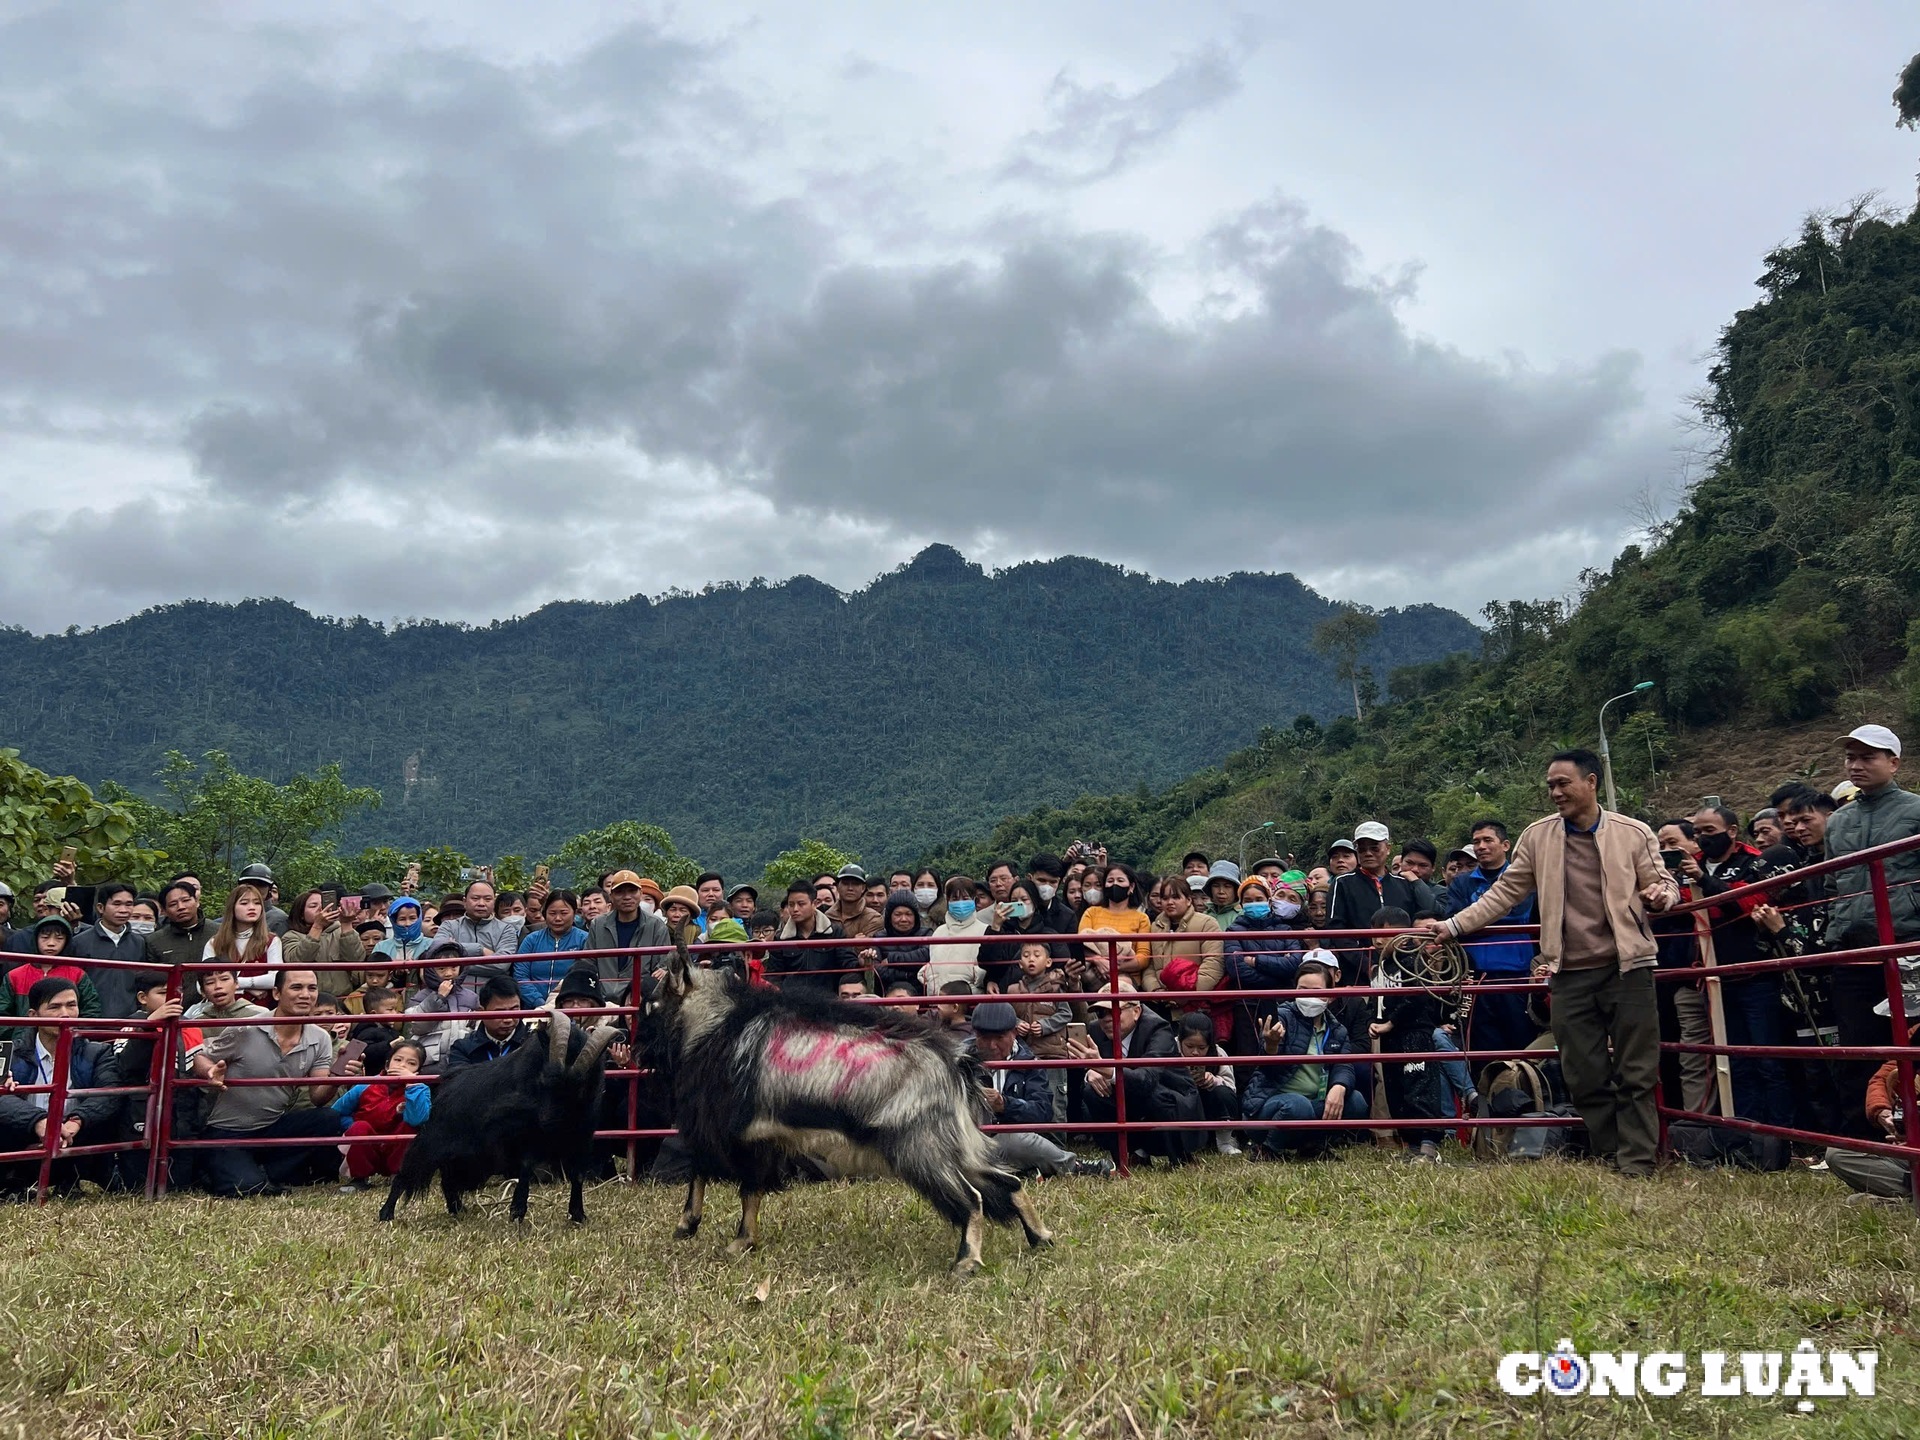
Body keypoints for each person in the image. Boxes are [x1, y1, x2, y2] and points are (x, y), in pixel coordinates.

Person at [1423, 748, 1676, 1178]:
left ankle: (1636, 1162)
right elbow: (1505, 893)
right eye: (1550, 786)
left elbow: (1662, 882)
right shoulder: (1538, 836)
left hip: (1628, 966)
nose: (1555, 792)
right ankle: (1608, 1151)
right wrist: (1454, 925)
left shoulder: (1633, 833)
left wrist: (1662, 896)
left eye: (1564, 783)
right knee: (1583, 1071)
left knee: (1636, 1068)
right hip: (1568, 971)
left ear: (1591, 782)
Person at [1821, 724, 1920, 1128]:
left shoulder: (1916, 811)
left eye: (1868, 757)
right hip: (1853, 950)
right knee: (1856, 1048)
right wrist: (1834, 931)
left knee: (1910, 1044)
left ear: (1894, 763)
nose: (1856, 765)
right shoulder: (1838, 822)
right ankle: (1863, 1147)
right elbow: (1831, 885)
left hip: (1907, 946)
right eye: (1851, 757)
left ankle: (1909, 1138)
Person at [198, 968, 357, 1196]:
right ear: (276, 993)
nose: (305, 994)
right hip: (228, 1130)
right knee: (245, 1188)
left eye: (311, 988)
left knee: (327, 1118)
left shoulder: (320, 1037)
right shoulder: (246, 1028)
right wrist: (210, 1072)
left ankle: (257, 1171)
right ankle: (245, 1172)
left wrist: (338, 1077)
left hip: (273, 1127)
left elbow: (318, 1097)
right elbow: (201, 1057)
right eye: (296, 987)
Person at [1690, 803, 1795, 1139]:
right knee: (1734, 1062)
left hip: (1757, 975)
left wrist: (1705, 883)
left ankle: (1783, 1135)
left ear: (1731, 831)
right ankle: (1746, 1133)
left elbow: (1752, 902)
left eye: (1710, 831)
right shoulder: (1689, 865)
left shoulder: (1754, 861)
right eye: (1697, 833)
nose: (1703, 839)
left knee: (1768, 1060)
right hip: (1714, 978)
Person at [0, 977, 136, 1192]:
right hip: (24, 1138)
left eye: (71, 1005)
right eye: (54, 1007)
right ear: (33, 1015)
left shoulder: (98, 1052)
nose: (65, 1014)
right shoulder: (10, 1053)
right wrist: (40, 1122)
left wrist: (75, 1122)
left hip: (76, 1138)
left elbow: (110, 1095)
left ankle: (80, 1179)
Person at [1065, 980, 1204, 1166]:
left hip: (1172, 1098)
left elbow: (1147, 1080)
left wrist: (1102, 1067)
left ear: (1136, 1011)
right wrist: (1090, 1071)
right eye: (1100, 1012)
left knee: (1154, 1094)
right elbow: (1090, 1076)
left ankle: (1180, 1157)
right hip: (1132, 1097)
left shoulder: (1158, 1029)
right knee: (1092, 1091)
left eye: (1113, 1010)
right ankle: (1123, 1158)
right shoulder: (1094, 1031)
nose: (1106, 1019)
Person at [966, 1002, 1111, 1178]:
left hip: (1004, 1142)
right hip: (964, 1141)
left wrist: (1005, 1105)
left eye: (999, 1037)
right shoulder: (960, 1059)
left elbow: (1042, 1112)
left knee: (1018, 1140)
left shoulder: (1030, 1063)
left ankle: (1071, 1166)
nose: (992, 1045)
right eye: (984, 1037)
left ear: (1015, 1033)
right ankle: (1019, 1170)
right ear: (975, 1034)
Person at [1240, 952, 1364, 1158]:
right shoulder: (1282, 1016)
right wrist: (1271, 1045)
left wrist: (1339, 1087)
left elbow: (1345, 1065)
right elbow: (1268, 1064)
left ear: (1330, 996)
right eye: (1302, 990)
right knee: (1298, 1105)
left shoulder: (1337, 1029)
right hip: (1271, 1106)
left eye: (1316, 991)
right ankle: (1268, 1149)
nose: (1308, 996)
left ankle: (1312, 1145)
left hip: (1313, 1104)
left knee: (1355, 1101)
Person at [1445, 820, 1539, 1063]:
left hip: (1517, 973)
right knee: (1482, 1047)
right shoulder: (1462, 882)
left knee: (1522, 1043)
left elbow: (1521, 914)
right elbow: (1454, 921)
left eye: (1488, 840)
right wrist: (1468, 923)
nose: (1481, 846)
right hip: (1475, 976)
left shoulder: (1524, 878)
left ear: (1505, 845)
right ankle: (1490, 1098)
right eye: (1476, 841)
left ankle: (1529, 1096)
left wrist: (1473, 920)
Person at [1652, 819, 1716, 1116]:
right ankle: (1678, 1118)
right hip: (1662, 974)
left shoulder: (1705, 873)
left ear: (1694, 843)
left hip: (1699, 974)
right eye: (1661, 845)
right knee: (1669, 1050)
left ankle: (1700, 1120)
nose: (1667, 851)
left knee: (1702, 1051)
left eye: (1673, 844)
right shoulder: (1652, 876)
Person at [1327, 821, 1436, 985]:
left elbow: (1425, 916)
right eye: (1362, 849)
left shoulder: (1404, 883)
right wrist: (1366, 965)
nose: (1368, 853)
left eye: (1374, 848)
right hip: (1359, 970)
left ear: (1388, 848)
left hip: (1405, 968)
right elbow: (1337, 929)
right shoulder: (1343, 883)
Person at [1822, 1023, 1917, 1200]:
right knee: (1838, 1154)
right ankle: (1911, 1195)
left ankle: (1906, 1200)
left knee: (1856, 1201)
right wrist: (1882, 1112)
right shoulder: (1917, 1033)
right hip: (1913, 1150)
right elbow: (1882, 1078)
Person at [332, 1039, 431, 1189]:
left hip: (396, 1147)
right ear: (387, 1064)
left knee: (409, 1127)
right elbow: (337, 1112)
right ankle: (359, 1179)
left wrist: (412, 1084)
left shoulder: (420, 1089)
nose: (403, 1066)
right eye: (398, 1060)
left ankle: (400, 1177)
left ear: (418, 1071)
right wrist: (353, 1126)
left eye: (411, 1063)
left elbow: (418, 1119)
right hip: (369, 1144)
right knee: (360, 1127)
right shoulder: (366, 1085)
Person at [1004, 939, 1071, 1119]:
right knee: (1028, 1095)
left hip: (1052, 1053)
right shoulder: (1012, 990)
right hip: (1024, 1054)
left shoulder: (1056, 987)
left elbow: (1066, 1013)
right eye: (1026, 956)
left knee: (1056, 1099)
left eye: (1036, 955)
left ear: (1048, 962)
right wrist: (1017, 1024)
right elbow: (1007, 1015)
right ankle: (1032, 1140)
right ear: (1020, 963)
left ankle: (1057, 1141)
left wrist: (1044, 1026)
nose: (1031, 959)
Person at [586, 870, 671, 1003]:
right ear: (611, 896)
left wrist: (663, 971)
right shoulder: (598, 924)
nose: (627, 897)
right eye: (620, 892)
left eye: (632, 891)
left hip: (639, 998)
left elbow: (662, 966)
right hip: (602, 997)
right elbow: (588, 962)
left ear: (640, 893)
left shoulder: (656, 925)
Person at [764, 881, 855, 1000]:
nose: (795, 909)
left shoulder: (834, 933)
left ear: (814, 904)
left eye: (801, 904)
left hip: (828, 1002)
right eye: (791, 904)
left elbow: (848, 964)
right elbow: (774, 975)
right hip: (792, 1004)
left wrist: (863, 960)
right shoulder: (781, 938)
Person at [66, 880, 145, 1016]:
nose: (123, 910)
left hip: (129, 1021)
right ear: (101, 908)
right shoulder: (79, 942)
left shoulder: (139, 942)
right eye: (116, 904)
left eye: (129, 904)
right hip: (89, 1019)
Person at [1, 917, 103, 1016]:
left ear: (67, 941)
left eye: (59, 938)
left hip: (66, 1032)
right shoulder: (14, 976)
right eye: (45, 937)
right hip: (25, 1033)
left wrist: (74, 1032)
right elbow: (2, 1012)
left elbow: (91, 1010)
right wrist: (18, 1033)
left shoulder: (78, 975)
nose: (51, 943)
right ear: (35, 939)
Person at [1148, 874, 1224, 1001]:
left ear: (1189, 900)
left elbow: (1213, 965)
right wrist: (1156, 990)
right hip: (1162, 1002)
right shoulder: (1155, 927)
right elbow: (1149, 966)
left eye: (1176, 897)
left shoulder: (1207, 924)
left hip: (1196, 1003)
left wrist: (1186, 995)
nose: (1170, 902)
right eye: (1165, 898)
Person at [1175, 1012, 1241, 1155]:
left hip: (1209, 1108)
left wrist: (1214, 1081)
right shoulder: (1169, 1049)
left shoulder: (1218, 1053)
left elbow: (1231, 1090)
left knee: (1223, 1093)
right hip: (1180, 1106)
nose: (1195, 1052)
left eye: (1201, 1047)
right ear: (1180, 1040)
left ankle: (1224, 1141)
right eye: (1189, 1046)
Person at [205, 881, 283, 1003]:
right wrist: (251, 986)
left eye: (257, 903)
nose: (252, 907)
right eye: (244, 903)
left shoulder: (271, 941)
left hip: (259, 1013)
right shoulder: (214, 942)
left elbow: (277, 978)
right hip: (222, 1012)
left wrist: (238, 983)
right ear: (232, 907)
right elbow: (202, 985)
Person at [404, 946, 480, 1068]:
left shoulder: (471, 997)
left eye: (454, 967)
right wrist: (438, 998)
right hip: (431, 1060)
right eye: (441, 968)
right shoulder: (421, 996)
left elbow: (477, 1028)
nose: (448, 973)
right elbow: (417, 1027)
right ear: (431, 970)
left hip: (464, 1058)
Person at [280, 889, 359, 1004]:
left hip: (343, 1000)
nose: (321, 909)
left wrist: (346, 924)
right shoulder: (291, 936)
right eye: (313, 906)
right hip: (309, 1001)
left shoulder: (340, 931)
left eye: (323, 905)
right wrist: (317, 926)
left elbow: (356, 959)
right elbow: (297, 961)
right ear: (301, 914)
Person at [513, 889, 589, 1006]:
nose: (558, 918)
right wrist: (538, 1002)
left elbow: (584, 975)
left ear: (574, 913)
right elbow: (520, 976)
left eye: (564, 913)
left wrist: (559, 1004)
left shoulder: (584, 939)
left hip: (569, 1006)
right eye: (552, 913)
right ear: (545, 913)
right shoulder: (531, 939)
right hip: (532, 1007)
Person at [1078, 864, 1152, 982]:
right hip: (1094, 973)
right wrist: (1097, 960)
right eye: (1110, 881)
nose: (1114, 884)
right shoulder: (1091, 913)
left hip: (1128, 977)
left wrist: (1114, 967)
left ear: (1131, 887)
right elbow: (1082, 944)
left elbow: (1143, 957)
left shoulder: (1141, 918)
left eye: (1120, 880)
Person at [443, 976, 533, 1069]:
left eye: (514, 1010)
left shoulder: (533, 1044)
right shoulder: (462, 1048)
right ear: (482, 1012)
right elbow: (460, 1082)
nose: (508, 1020)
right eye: (500, 1012)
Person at [435, 879, 524, 968]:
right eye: (475, 898)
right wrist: (479, 949)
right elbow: (438, 953)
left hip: (493, 982)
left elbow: (501, 965)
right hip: (454, 982)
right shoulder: (449, 926)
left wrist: (456, 962)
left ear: (494, 902)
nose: (481, 903)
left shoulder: (506, 929)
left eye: (487, 899)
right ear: (465, 901)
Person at [922, 877, 989, 994]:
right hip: (937, 1002)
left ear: (974, 900)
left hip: (968, 1002)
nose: (960, 903)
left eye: (965, 898)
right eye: (955, 898)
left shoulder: (985, 931)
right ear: (947, 902)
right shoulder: (939, 932)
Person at [864, 890, 930, 995]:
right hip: (886, 991)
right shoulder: (879, 937)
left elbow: (926, 955)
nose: (903, 919)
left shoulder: (926, 934)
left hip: (919, 992)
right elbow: (877, 970)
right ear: (889, 917)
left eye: (909, 914)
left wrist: (891, 960)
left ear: (916, 917)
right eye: (898, 914)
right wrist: (908, 975)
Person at [825, 865, 879, 939]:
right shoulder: (827, 917)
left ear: (863, 888)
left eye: (855, 884)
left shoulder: (873, 918)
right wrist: (853, 942)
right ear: (837, 886)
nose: (850, 888)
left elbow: (865, 947)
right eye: (845, 883)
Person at [1201, 860, 1241, 929]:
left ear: (1236, 890)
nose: (1221, 891)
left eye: (1227, 886)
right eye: (1216, 886)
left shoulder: (1242, 917)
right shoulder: (1203, 917)